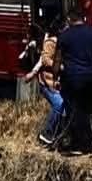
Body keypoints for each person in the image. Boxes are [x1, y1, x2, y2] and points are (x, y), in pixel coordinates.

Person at [54, 10, 92, 155]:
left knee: (72, 110)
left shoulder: (64, 35)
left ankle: (77, 143)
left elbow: (57, 59)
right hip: (90, 78)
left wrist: (55, 76)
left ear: (69, 19)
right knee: (86, 110)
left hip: (71, 77)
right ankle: (86, 142)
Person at [24, 17, 64, 147]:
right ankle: (47, 133)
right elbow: (44, 59)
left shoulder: (63, 42)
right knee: (58, 104)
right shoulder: (51, 42)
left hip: (58, 82)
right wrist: (60, 67)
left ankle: (57, 136)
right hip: (47, 81)